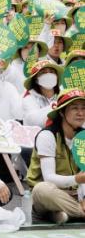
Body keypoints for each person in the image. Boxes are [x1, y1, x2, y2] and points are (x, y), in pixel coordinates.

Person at [27, 88, 85, 224]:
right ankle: (78, 213)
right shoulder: (47, 136)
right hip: (52, 194)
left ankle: (64, 215)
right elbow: (49, 178)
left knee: (62, 214)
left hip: (77, 196)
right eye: (74, 108)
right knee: (41, 189)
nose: (80, 113)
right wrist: (77, 179)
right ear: (61, 112)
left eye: (83, 108)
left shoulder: (83, 136)